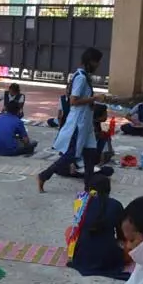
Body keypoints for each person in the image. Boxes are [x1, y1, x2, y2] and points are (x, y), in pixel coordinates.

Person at [40, 48, 106, 192]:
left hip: (87, 123)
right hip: (79, 123)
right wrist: (94, 98)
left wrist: (92, 103)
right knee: (72, 154)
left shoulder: (85, 76)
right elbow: (73, 101)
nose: (98, 65)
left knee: (90, 155)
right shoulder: (81, 77)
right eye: (97, 62)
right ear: (90, 61)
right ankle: (44, 175)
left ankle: (88, 187)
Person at [68, 175, 125, 279]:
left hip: (82, 258)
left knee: (69, 232)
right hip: (108, 260)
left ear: (89, 189)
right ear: (109, 190)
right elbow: (122, 235)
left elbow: (77, 229)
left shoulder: (81, 203)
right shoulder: (116, 205)